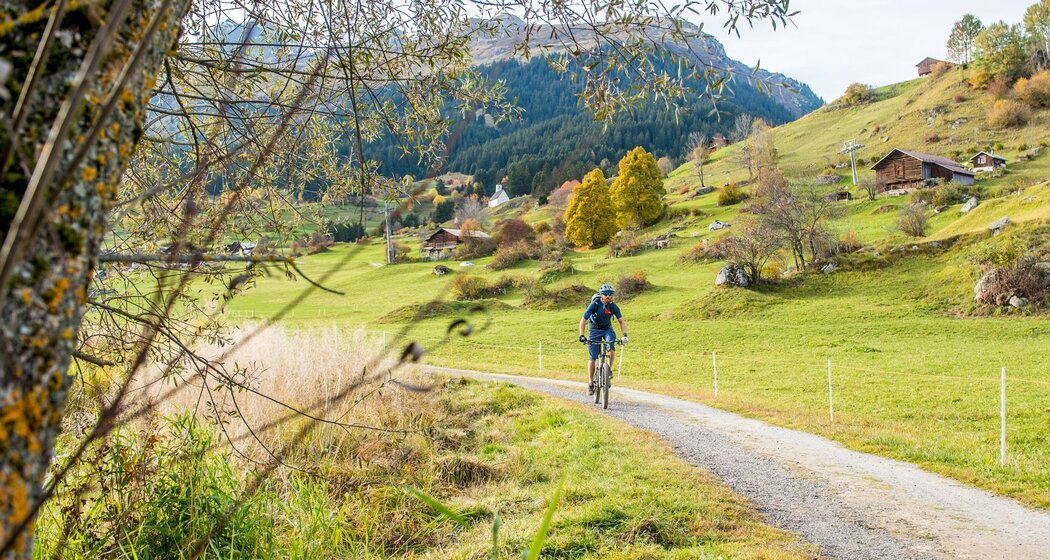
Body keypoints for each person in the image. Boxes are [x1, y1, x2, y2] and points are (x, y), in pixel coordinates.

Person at [578, 283, 628, 395]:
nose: (608, 297)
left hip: (607, 329)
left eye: (610, 295)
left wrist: (625, 334)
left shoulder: (613, 306)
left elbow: (621, 321)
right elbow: (583, 320)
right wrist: (582, 335)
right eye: (606, 294)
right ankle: (590, 383)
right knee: (593, 357)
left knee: (611, 346)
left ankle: (608, 370)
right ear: (601, 295)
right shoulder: (594, 304)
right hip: (594, 329)